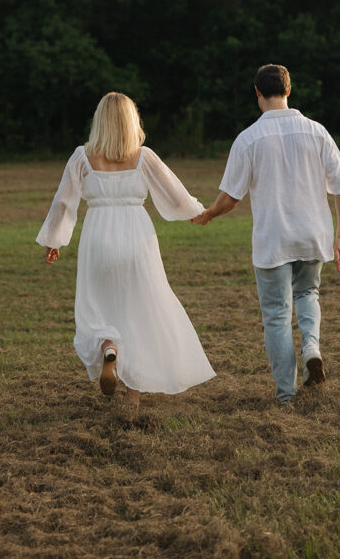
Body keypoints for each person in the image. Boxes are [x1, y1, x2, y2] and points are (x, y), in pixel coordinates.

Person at [36, 91, 215, 407]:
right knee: (141, 310)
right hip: (136, 236)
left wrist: (54, 240)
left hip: (98, 236)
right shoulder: (143, 157)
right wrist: (196, 211)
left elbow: (63, 201)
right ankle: (133, 397)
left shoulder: (82, 156)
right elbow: (175, 194)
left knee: (99, 304)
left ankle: (108, 347)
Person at [192, 64, 340, 404]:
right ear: (289, 91)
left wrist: (209, 213)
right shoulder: (317, 132)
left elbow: (231, 197)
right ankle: (312, 347)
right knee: (308, 293)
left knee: (277, 315)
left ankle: (285, 394)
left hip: (273, 241)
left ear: (257, 94)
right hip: (313, 235)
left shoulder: (249, 138)